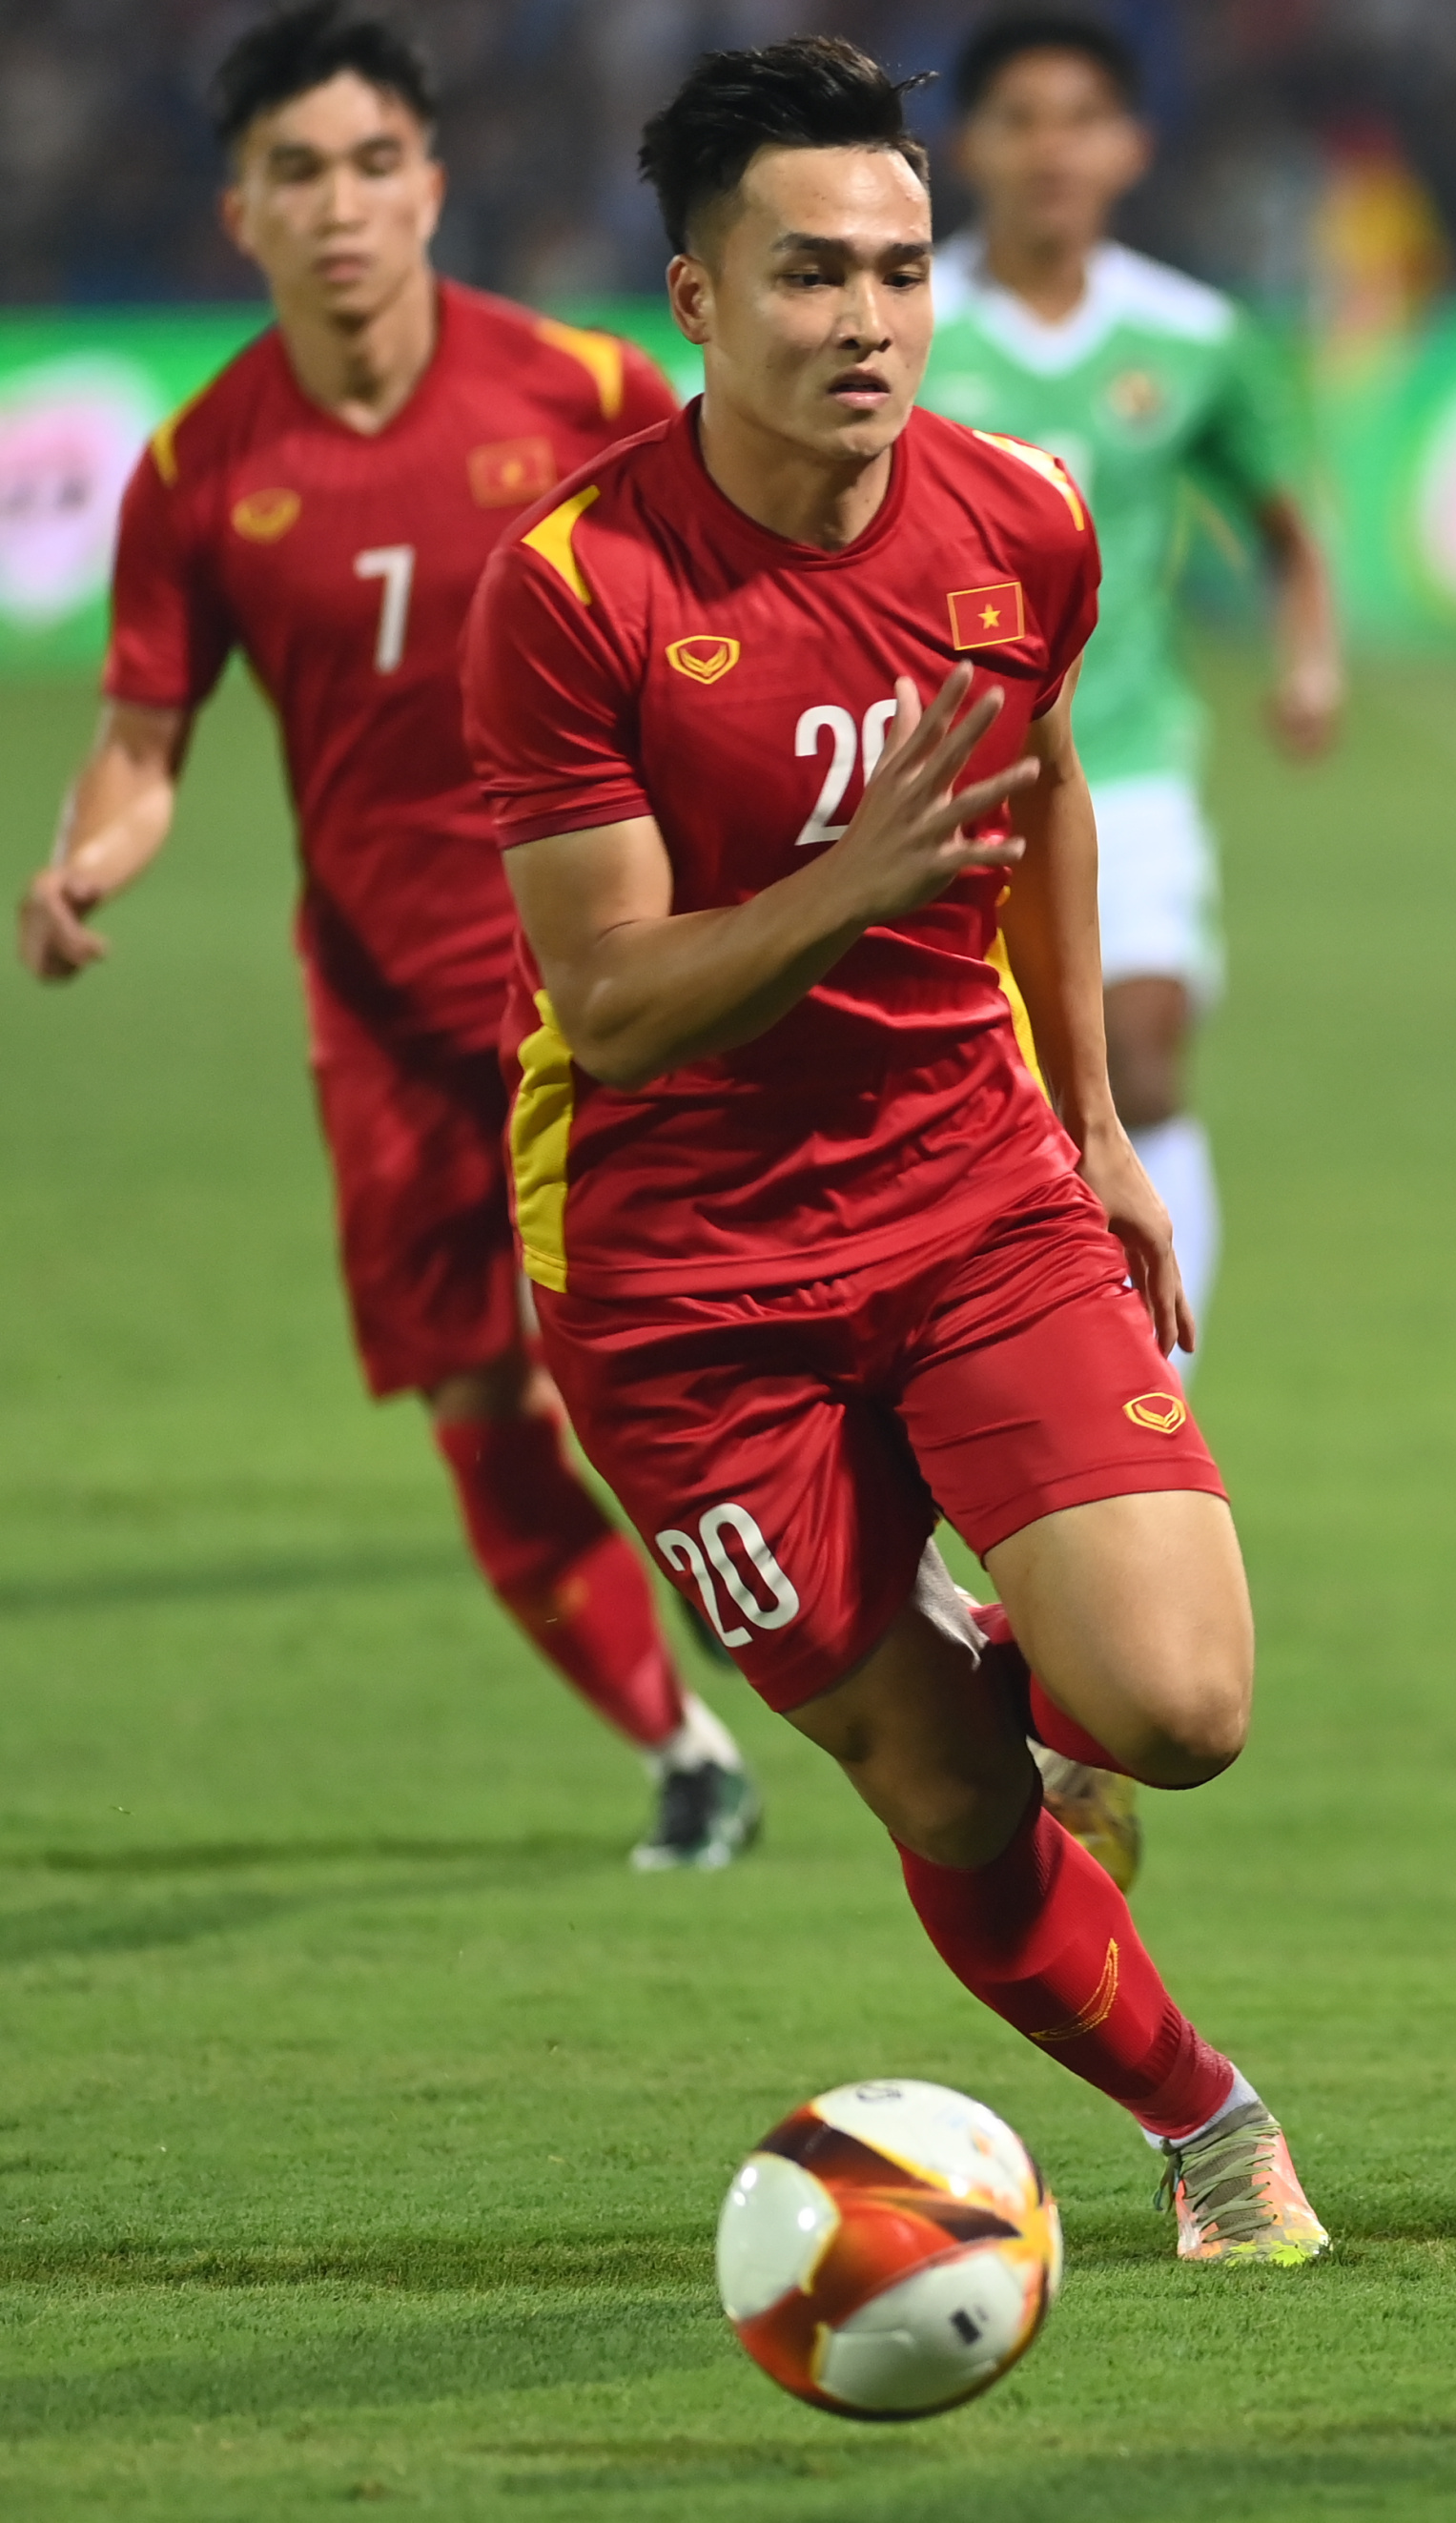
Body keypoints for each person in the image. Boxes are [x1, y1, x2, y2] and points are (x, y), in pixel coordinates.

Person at [463, 35, 1324, 2263]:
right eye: (811, 274)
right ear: (695, 298)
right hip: (679, 1279)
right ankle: (1212, 2129)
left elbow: (1037, 796)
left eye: (902, 272)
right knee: (934, 1778)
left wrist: (1100, 1120)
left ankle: (1006, 1630)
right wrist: (853, 876)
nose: (866, 319)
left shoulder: (1021, 512)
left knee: (1181, 1708)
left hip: (968, 1185)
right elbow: (615, 1003)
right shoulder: (573, 593)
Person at [18, 3, 758, 1870]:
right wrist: (87, 859)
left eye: (370, 165)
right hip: (386, 1026)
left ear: (430, 183)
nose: (339, 207)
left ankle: (909, 1648)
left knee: (729, 1355)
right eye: (295, 175)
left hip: (616, 979)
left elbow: (740, 600)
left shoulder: (583, 396)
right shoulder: (198, 473)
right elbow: (142, 739)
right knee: (484, 1408)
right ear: (238, 214)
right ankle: (683, 1748)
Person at [920, 12, 1341, 1397]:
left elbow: (1286, 515)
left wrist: (1309, 652)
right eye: (1020, 119)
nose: (1052, 149)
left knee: (1142, 1059)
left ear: (1130, 147)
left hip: (1128, 756)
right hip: (929, 771)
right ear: (970, 146)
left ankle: (1147, 1388)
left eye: (1080, 118)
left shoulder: (1193, 336)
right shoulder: (906, 319)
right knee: (976, 1096)